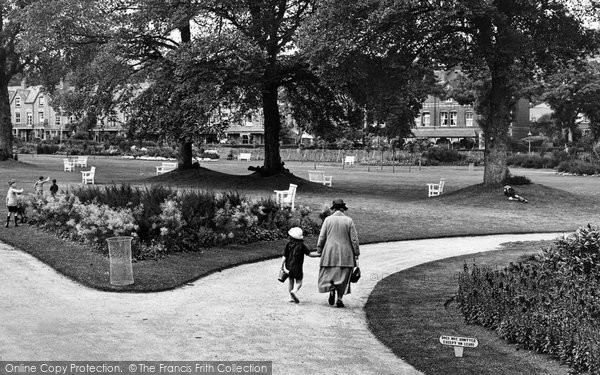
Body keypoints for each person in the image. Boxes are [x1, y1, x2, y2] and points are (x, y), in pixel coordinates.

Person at [316, 198, 360, 308]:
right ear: (343, 209)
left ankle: (331, 289)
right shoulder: (349, 220)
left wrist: (319, 249)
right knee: (344, 276)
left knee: (330, 273)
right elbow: (354, 239)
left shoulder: (328, 220)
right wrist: (356, 253)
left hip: (330, 252)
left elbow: (322, 237)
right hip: (346, 253)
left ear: (333, 209)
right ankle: (339, 299)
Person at [281, 227, 317, 303]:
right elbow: (309, 254)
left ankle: (291, 297)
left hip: (289, 267)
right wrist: (319, 255)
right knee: (299, 282)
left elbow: (284, 257)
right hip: (297, 268)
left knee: (291, 281)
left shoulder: (289, 245)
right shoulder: (302, 246)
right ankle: (294, 290)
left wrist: (282, 266)